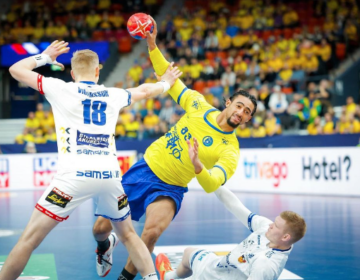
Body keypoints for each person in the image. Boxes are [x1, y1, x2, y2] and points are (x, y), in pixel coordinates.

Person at [0, 39, 182, 280]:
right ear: (98, 71)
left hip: (72, 179)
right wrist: (166, 83)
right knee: (128, 235)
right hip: (108, 177)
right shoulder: (113, 94)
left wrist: (45, 57)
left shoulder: (60, 87)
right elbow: (145, 90)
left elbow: (15, 70)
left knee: (29, 239)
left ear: (73, 73)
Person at [92, 17, 257, 280]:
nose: (241, 112)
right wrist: (152, 44)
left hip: (172, 188)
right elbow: (169, 80)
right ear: (228, 103)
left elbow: (213, 183)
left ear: (248, 119)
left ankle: (125, 278)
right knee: (100, 227)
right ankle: (105, 245)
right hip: (145, 170)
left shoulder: (230, 149)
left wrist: (199, 167)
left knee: (151, 233)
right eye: (239, 106)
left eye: (247, 112)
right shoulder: (198, 104)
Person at [156, 185, 307, 280]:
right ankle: (170, 276)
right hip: (215, 267)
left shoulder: (265, 266)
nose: (270, 225)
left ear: (286, 237)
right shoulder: (269, 230)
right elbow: (235, 206)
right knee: (189, 253)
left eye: (276, 225)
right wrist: (211, 180)